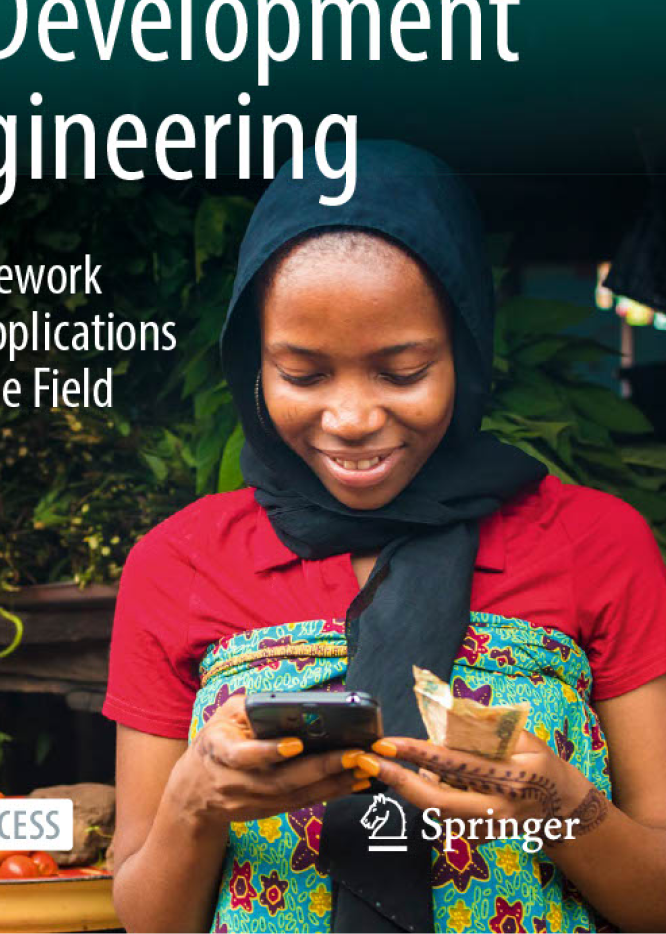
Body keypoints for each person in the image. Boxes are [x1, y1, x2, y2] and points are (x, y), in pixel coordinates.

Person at [105, 142, 666, 934]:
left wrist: (557, 803)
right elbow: (147, 921)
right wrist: (195, 799)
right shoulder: (179, 562)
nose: (352, 418)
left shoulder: (595, 542)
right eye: (302, 374)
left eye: (401, 370)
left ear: (464, 351)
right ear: (251, 365)